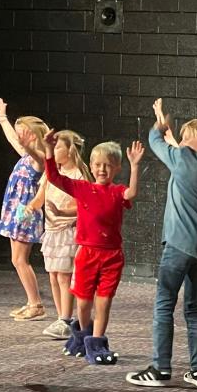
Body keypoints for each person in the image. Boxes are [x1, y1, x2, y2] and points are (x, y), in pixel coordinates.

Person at [126, 99, 197, 387]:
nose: (182, 139)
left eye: (188, 136)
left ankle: (160, 368)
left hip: (178, 245)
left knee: (164, 304)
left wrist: (159, 123)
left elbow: (155, 140)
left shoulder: (184, 160)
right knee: (192, 309)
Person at [44, 131, 143, 364]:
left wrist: (135, 166)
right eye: (98, 164)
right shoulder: (83, 188)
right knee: (84, 301)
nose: (102, 169)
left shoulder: (118, 191)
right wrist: (49, 151)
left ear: (117, 167)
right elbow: (54, 177)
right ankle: (82, 335)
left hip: (112, 256)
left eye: (108, 165)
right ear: (91, 165)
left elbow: (132, 192)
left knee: (105, 300)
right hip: (87, 254)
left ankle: (97, 342)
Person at [26, 129, 91, 339]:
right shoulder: (50, 173)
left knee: (64, 276)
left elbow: (85, 206)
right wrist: (30, 208)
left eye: (58, 147)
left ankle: (66, 319)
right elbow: (39, 198)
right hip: (51, 232)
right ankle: (61, 317)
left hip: (68, 231)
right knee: (53, 276)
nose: (54, 151)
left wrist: (63, 212)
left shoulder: (78, 176)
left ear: (70, 150)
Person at [0, 98, 48, 321]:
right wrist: (3, 119)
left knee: (19, 260)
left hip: (26, 214)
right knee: (17, 259)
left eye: (22, 134)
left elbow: (38, 157)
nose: (19, 138)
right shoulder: (26, 155)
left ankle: (36, 304)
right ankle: (31, 302)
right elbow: (11, 139)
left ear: (32, 135)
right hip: (15, 212)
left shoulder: (39, 159)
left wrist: (28, 146)